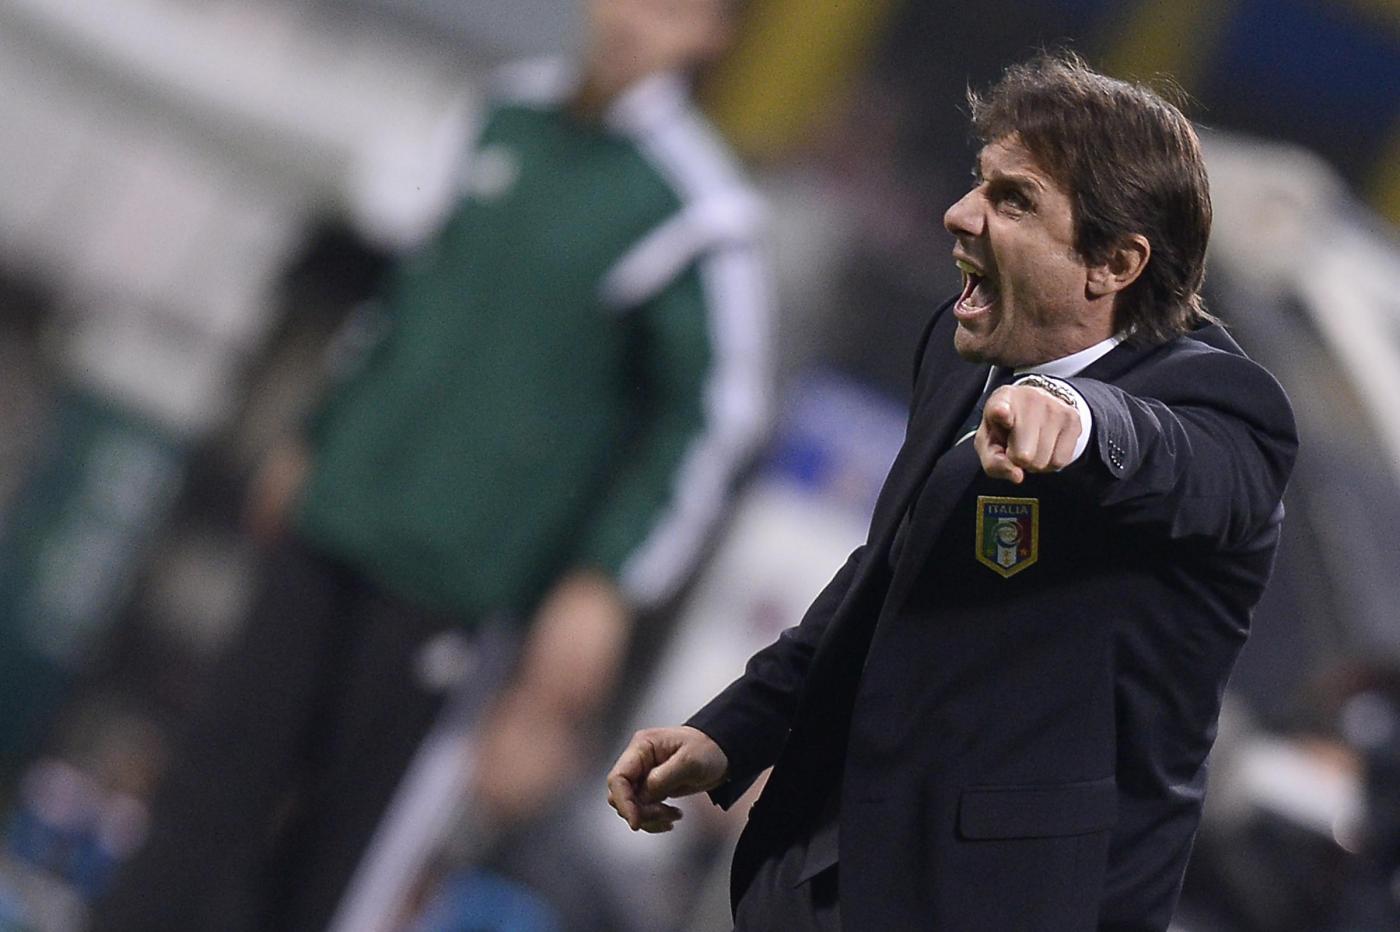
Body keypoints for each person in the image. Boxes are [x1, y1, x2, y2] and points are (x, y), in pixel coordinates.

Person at [96, 0, 769, 929]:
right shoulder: (503, 112)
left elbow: (712, 419)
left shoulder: (698, 211)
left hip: (458, 585)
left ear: (712, 34)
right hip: (335, 520)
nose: (633, 17)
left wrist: (606, 581)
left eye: (672, 6)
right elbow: (404, 294)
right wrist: (318, 433)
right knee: (204, 788)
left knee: (342, 852)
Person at [607, 52, 1298, 931]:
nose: (960, 213)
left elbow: (1183, 462)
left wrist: (1080, 417)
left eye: (1015, 201)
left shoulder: (1228, 408)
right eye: (980, 182)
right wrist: (735, 729)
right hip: (827, 874)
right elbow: (884, 575)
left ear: (1114, 263)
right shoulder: (961, 346)